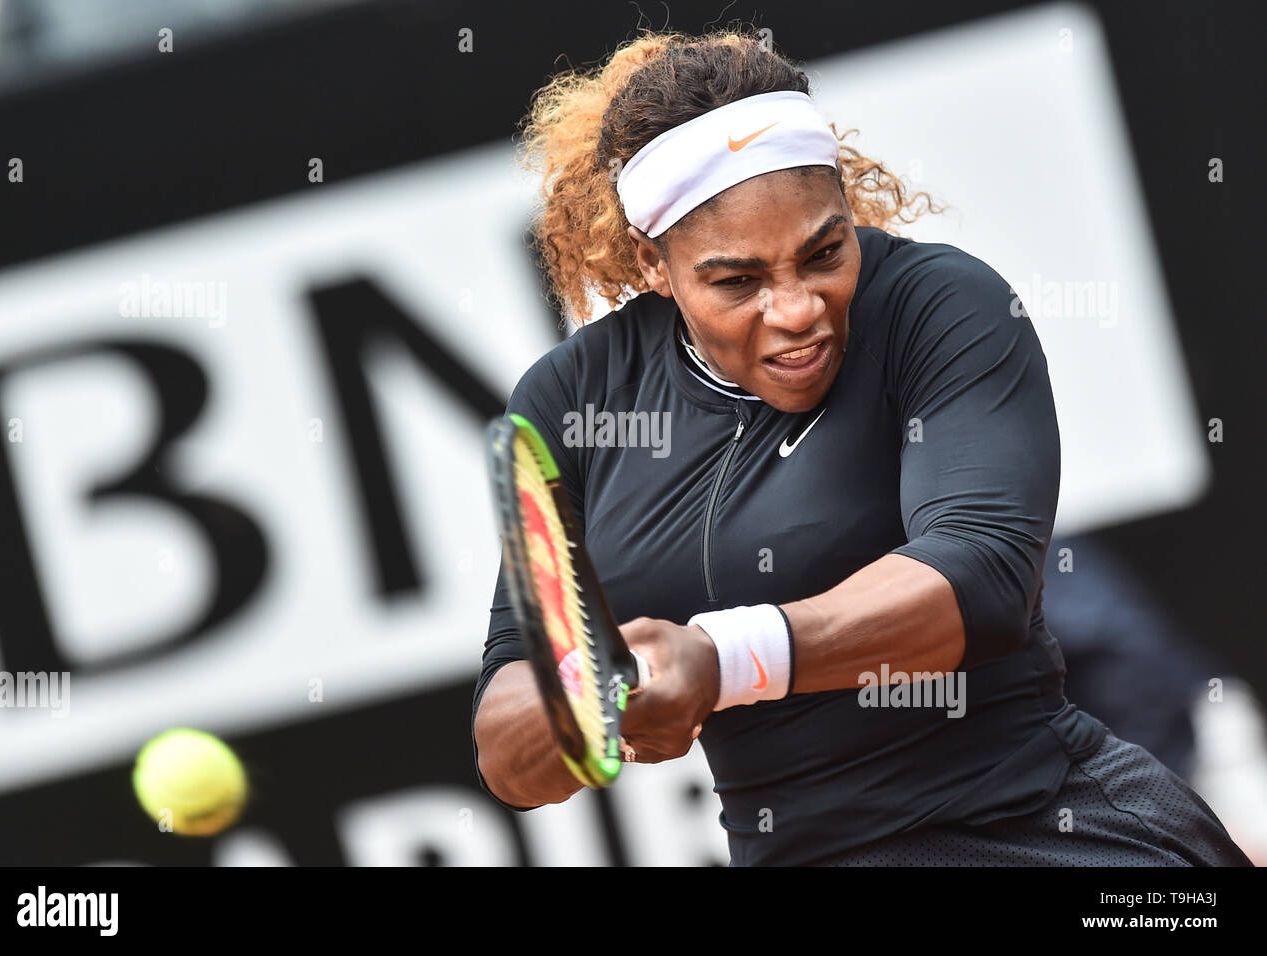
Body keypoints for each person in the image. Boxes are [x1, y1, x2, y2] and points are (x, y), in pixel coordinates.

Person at [471, 27, 1251, 866]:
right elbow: (507, 748)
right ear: (651, 261)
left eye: (823, 252)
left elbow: (979, 574)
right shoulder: (573, 398)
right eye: (738, 280)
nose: (798, 307)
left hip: (1042, 834)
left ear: (847, 204)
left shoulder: (938, 305)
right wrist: (581, 708)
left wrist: (721, 658)